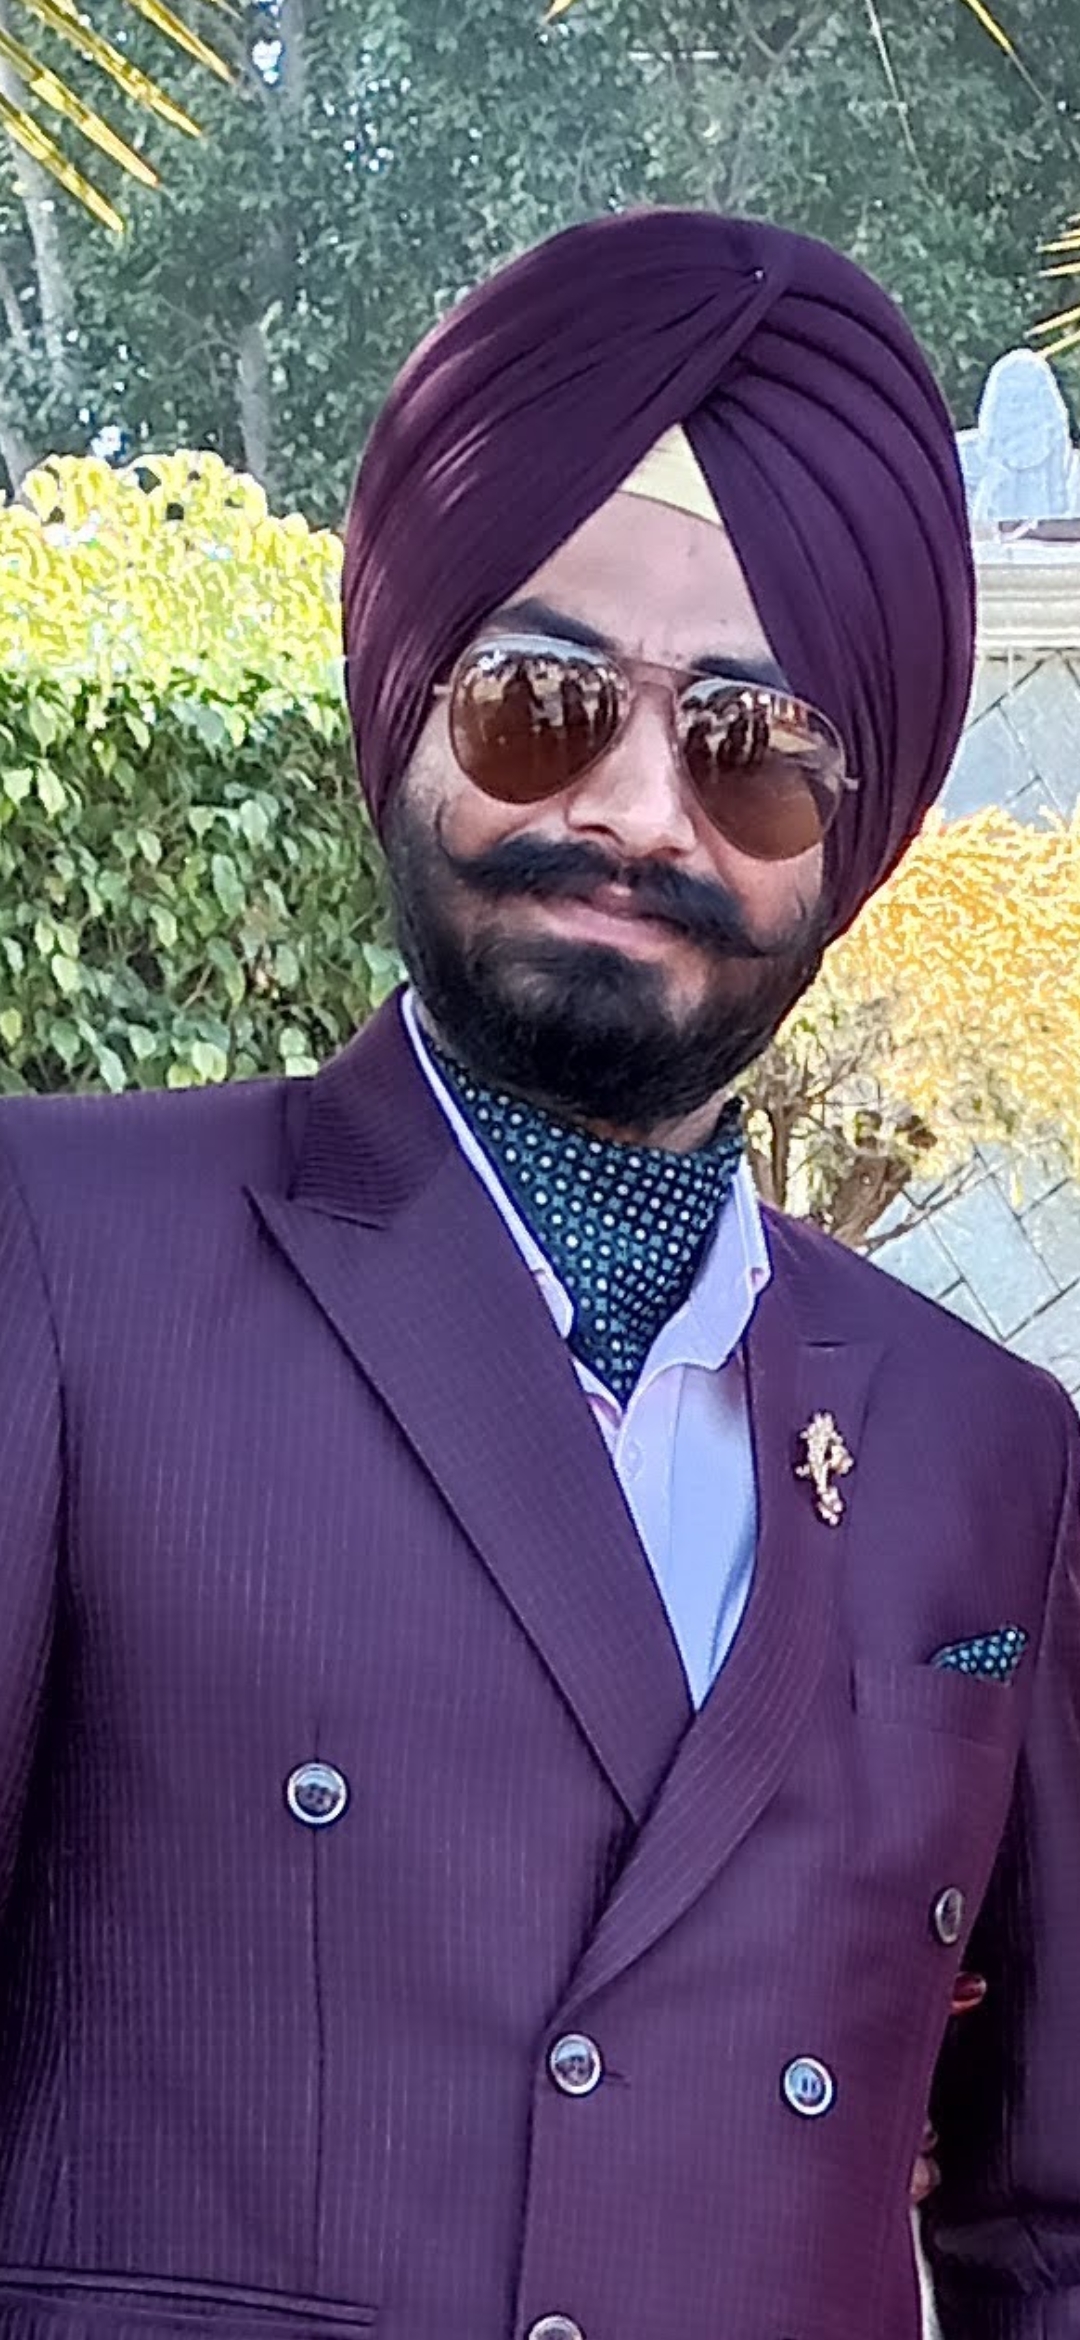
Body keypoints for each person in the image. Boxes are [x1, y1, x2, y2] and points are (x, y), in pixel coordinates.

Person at [0, 210, 1077, 2340]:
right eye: (538, 703)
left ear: (851, 827)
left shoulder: (992, 1456)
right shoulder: (60, 1265)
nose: (639, 811)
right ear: (406, 701)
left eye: (754, 747)